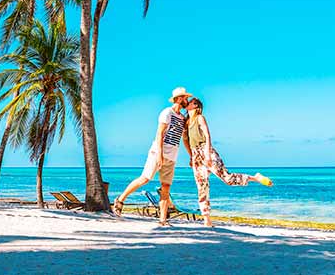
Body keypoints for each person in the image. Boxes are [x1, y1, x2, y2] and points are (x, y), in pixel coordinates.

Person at [186, 97, 273, 227]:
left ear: (196, 106)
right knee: (202, 187)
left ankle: (255, 177)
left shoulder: (200, 118)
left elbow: (208, 136)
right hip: (195, 155)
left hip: (206, 150)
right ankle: (207, 219)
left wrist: (208, 153)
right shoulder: (186, 122)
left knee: (227, 179)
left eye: (190, 102)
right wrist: (191, 157)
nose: (187, 103)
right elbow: (186, 141)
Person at [113, 87, 192, 225]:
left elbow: (185, 139)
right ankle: (120, 200)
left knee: (166, 187)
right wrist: (160, 154)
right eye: (185, 98)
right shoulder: (167, 112)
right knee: (145, 179)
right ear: (179, 99)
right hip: (158, 153)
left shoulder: (183, 118)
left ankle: (162, 220)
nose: (187, 100)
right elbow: (160, 134)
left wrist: (191, 156)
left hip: (172, 156)